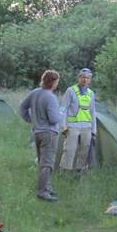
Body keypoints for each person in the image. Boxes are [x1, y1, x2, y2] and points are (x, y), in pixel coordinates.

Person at [19, 70, 63, 202]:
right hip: (49, 134)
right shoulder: (51, 97)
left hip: (37, 132)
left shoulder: (35, 92)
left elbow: (22, 107)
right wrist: (61, 114)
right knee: (47, 163)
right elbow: (54, 119)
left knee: (42, 161)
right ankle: (42, 191)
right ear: (53, 82)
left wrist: (29, 119)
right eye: (57, 82)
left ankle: (47, 188)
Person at [59, 68, 96, 174]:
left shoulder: (91, 93)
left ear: (90, 80)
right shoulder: (70, 91)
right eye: (83, 77)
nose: (85, 80)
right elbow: (63, 108)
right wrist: (63, 126)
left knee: (85, 150)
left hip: (87, 127)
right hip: (72, 126)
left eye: (88, 78)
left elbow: (93, 112)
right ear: (79, 78)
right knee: (69, 150)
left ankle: (79, 172)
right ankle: (64, 172)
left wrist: (94, 130)